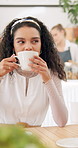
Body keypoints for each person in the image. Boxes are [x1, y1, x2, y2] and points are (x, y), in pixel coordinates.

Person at [0, 16, 68, 127]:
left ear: (42, 45)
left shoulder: (50, 73)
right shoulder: (2, 70)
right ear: (13, 46)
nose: (28, 47)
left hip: (35, 139)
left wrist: (47, 80)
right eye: (21, 42)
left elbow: (62, 121)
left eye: (35, 41)